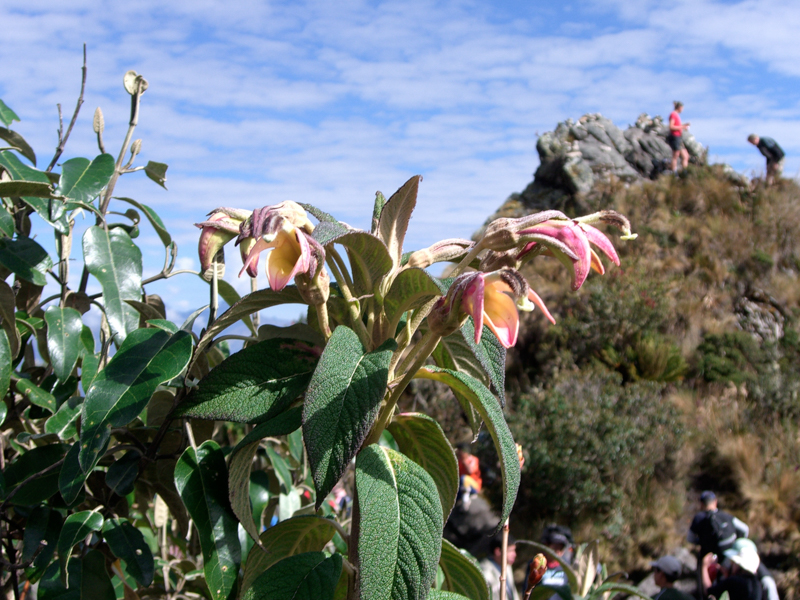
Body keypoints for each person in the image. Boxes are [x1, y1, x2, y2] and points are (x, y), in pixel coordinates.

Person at [688, 491, 749, 558]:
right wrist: (737, 544)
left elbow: (690, 538)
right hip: (728, 554)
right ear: (715, 502)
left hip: (708, 556)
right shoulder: (726, 516)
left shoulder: (698, 517)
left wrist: (700, 542)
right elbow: (745, 529)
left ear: (702, 504)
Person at [480, 533, 521, 600]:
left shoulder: (507, 566)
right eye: (510, 551)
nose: (514, 554)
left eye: (514, 550)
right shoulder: (486, 572)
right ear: (498, 551)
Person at [668, 101, 691, 172]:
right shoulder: (673, 115)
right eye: (682, 108)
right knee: (676, 155)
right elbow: (671, 126)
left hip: (679, 137)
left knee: (686, 156)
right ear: (679, 107)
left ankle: (685, 173)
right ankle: (674, 173)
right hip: (675, 136)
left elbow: (677, 126)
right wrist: (683, 127)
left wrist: (683, 126)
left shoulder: (676, 115)